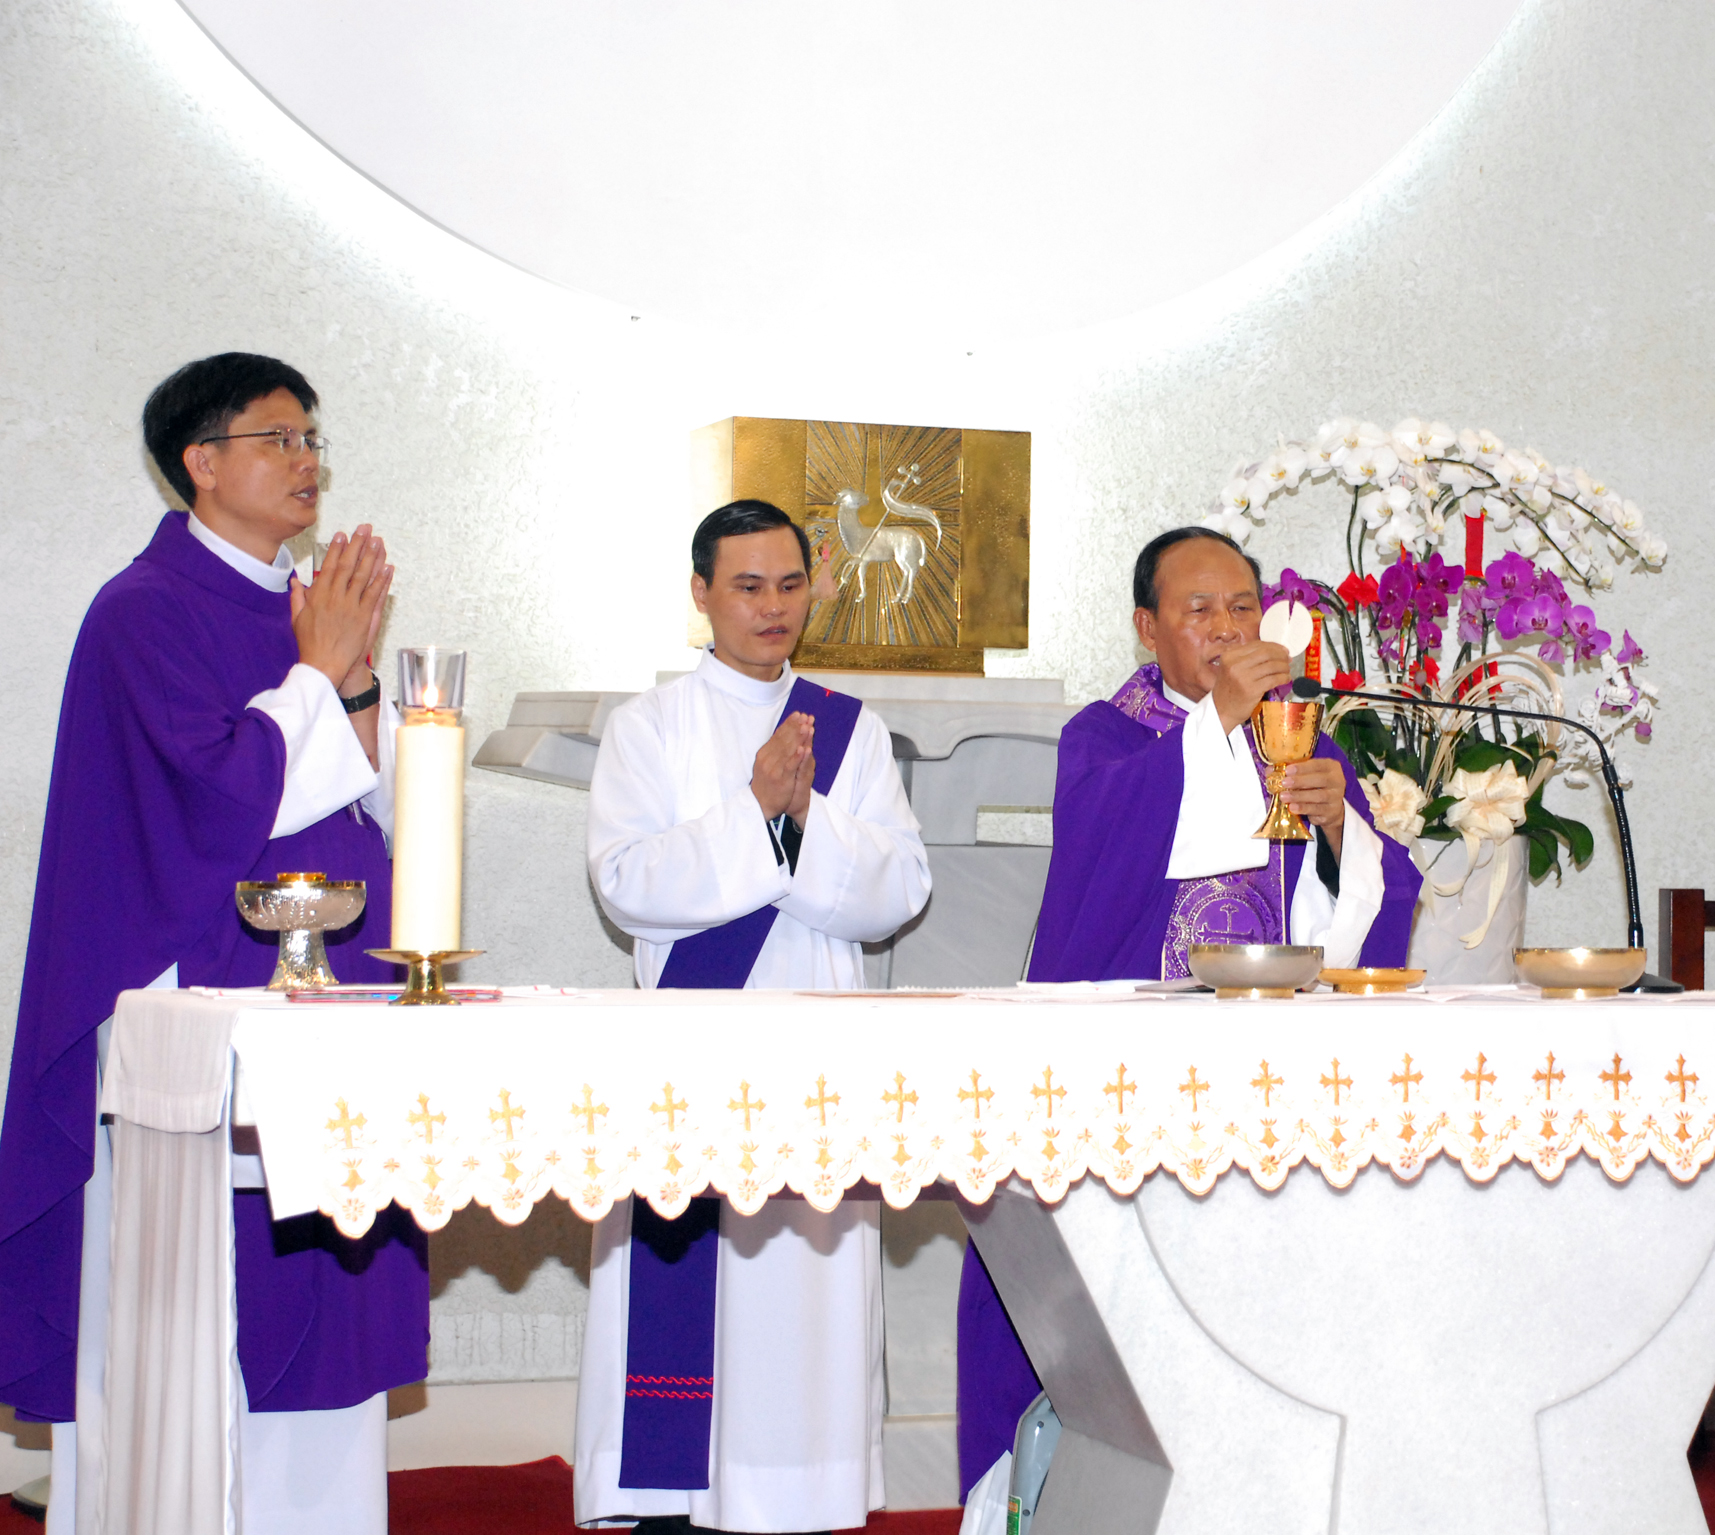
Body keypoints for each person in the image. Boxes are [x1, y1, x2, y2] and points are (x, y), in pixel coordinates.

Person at [0, 353, 430, 1534]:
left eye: (312, 439)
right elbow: (216, 797)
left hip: (328, 998)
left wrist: (349, 682)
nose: (307, 461)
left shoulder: (299, 605)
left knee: (324, 1283)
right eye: (278, 438)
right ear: (201, 460)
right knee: (195, 1309)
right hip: (192, 1010)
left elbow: (356, 804)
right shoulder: (142, 610)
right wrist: (317, 668)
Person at [951, 526, 1422, 1498]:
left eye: (1242, 607)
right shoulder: (1106, 737)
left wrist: (1338, 825)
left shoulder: (1304, 738)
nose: (1225, 628)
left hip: (1268, 1097)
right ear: (1146, 626)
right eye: (1197, 610)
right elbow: (1103, 850)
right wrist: (1215, 723)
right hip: (1129, 1091)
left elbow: (1378, 902)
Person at [577, 498, 932, 1532]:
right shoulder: (648, 727)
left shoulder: (853, 731)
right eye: (746, 586)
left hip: (815, 1053)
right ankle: (670, 1498)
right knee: (692, 1282)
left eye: (789, 584)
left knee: (801, 1292)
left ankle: (799, 1491)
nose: (772, 607)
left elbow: (900, 887)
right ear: (701, 594)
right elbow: (626, 883)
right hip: (691, 1055)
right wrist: (755, 813)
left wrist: (801, 814)